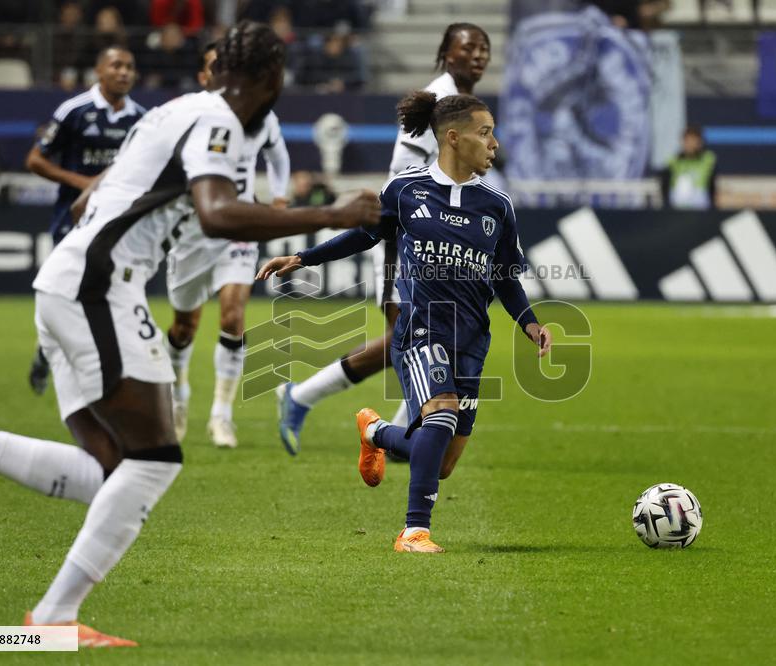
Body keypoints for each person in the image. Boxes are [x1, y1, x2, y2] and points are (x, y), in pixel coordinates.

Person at [0, 21, 379, 646]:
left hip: (72, 281)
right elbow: (217, 215)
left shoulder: (170, 113)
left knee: (112, 468)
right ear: (270, 79)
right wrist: (333, 213)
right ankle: (52, 619)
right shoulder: (218, 121)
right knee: (156, 458)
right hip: (100, 288)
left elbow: (87, 204)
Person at [258, 91, 551, 553]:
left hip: (472, 340)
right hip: (420, 329)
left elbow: (504, 278)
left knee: (443, 461)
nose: (494, 144)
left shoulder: (498, 206)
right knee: (441, 412)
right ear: (453, 138)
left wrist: (530, 323)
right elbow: (362, 235)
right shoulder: (407, 190)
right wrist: (303, 256)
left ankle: (375, 431)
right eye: (485, 132)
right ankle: (414, 531)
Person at [275, 22, 492, 456]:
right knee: (407, 341)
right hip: (405, 238)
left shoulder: (466, 104)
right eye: (468, 47)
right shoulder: (438, 101)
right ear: (447, 53)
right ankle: (311, 402)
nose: (479, 54)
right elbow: (400, 177)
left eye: (483, 47)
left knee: (421, 341)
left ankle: (395, 432)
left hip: (434, 240)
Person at [164, 41, 291, 448]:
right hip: (192, 230)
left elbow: (278, 154)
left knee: (233, 316)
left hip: (237, 224)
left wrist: (280, 197)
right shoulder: (187, 112)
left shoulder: (260, 115)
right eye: (214, 66)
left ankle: (221, 415)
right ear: (204, 75)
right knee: (185, 326)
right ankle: (178, 395)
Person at [25, 46, 144, 396]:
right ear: (99, 71)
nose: (124, 72)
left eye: (129, 66)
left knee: (106, 291)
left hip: (118, 221)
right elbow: (35, 160)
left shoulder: (142, 118)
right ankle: (48, 351)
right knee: (68, 290)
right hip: (72, 217)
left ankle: (101, 369)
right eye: (116, 65)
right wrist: (85, 185)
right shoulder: (74, 111)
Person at [659, 125, 717, 210]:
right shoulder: (674, 161)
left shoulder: (708, 159)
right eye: (688, 140)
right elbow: (664, 185)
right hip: (678, 206)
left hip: (701, 205)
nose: (690, 144)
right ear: (682, 142)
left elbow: (712, 186)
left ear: (700, 142)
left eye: (694, 140)